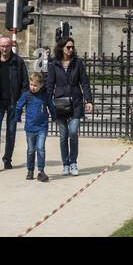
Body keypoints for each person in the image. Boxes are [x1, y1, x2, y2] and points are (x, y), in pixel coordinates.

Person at [45, 37, 94, 176]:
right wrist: (47, 103)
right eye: (68, 47)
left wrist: (88, 100)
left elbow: (85, 83)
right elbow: (49, 85)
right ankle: (65, 164)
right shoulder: (54, 64)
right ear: (61, 48)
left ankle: (73, 162)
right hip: (60, 103)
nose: (71, 49)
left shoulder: (78, 63)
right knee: (63, 135)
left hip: (76, 102)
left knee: (72, 132)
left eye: (72, 47)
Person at [0, 35, 28, 172]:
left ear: (11, 46)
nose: (4, 49)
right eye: (2, 46)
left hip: (13, 102)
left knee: (11, 131)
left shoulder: (18, 62)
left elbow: (25, 84)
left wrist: (21, 102)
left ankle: (7, 159)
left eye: (7, 46)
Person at [15, 71, 57, 182]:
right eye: (31, 84)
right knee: (30, 149)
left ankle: (41, 171)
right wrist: (17, 117)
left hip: (42, 127)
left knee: (40, 148)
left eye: (35, 85)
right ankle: (30, 170)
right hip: (30, 127)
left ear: (41, 85)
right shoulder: (26, 95)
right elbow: (19, 106)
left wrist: (54, 116)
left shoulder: (45, 95)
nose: (32, 87)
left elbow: (51, 106)